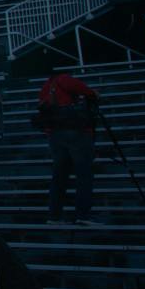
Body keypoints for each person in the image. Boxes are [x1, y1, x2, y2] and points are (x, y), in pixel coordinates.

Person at [38, 69, 100, 225]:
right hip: (75, 132)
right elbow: (87, 92)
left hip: (55, 136)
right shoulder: (65, 79)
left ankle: (54, 215)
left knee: (59, 176)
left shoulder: (46, 86)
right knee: (84, 174)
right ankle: (83, 215)